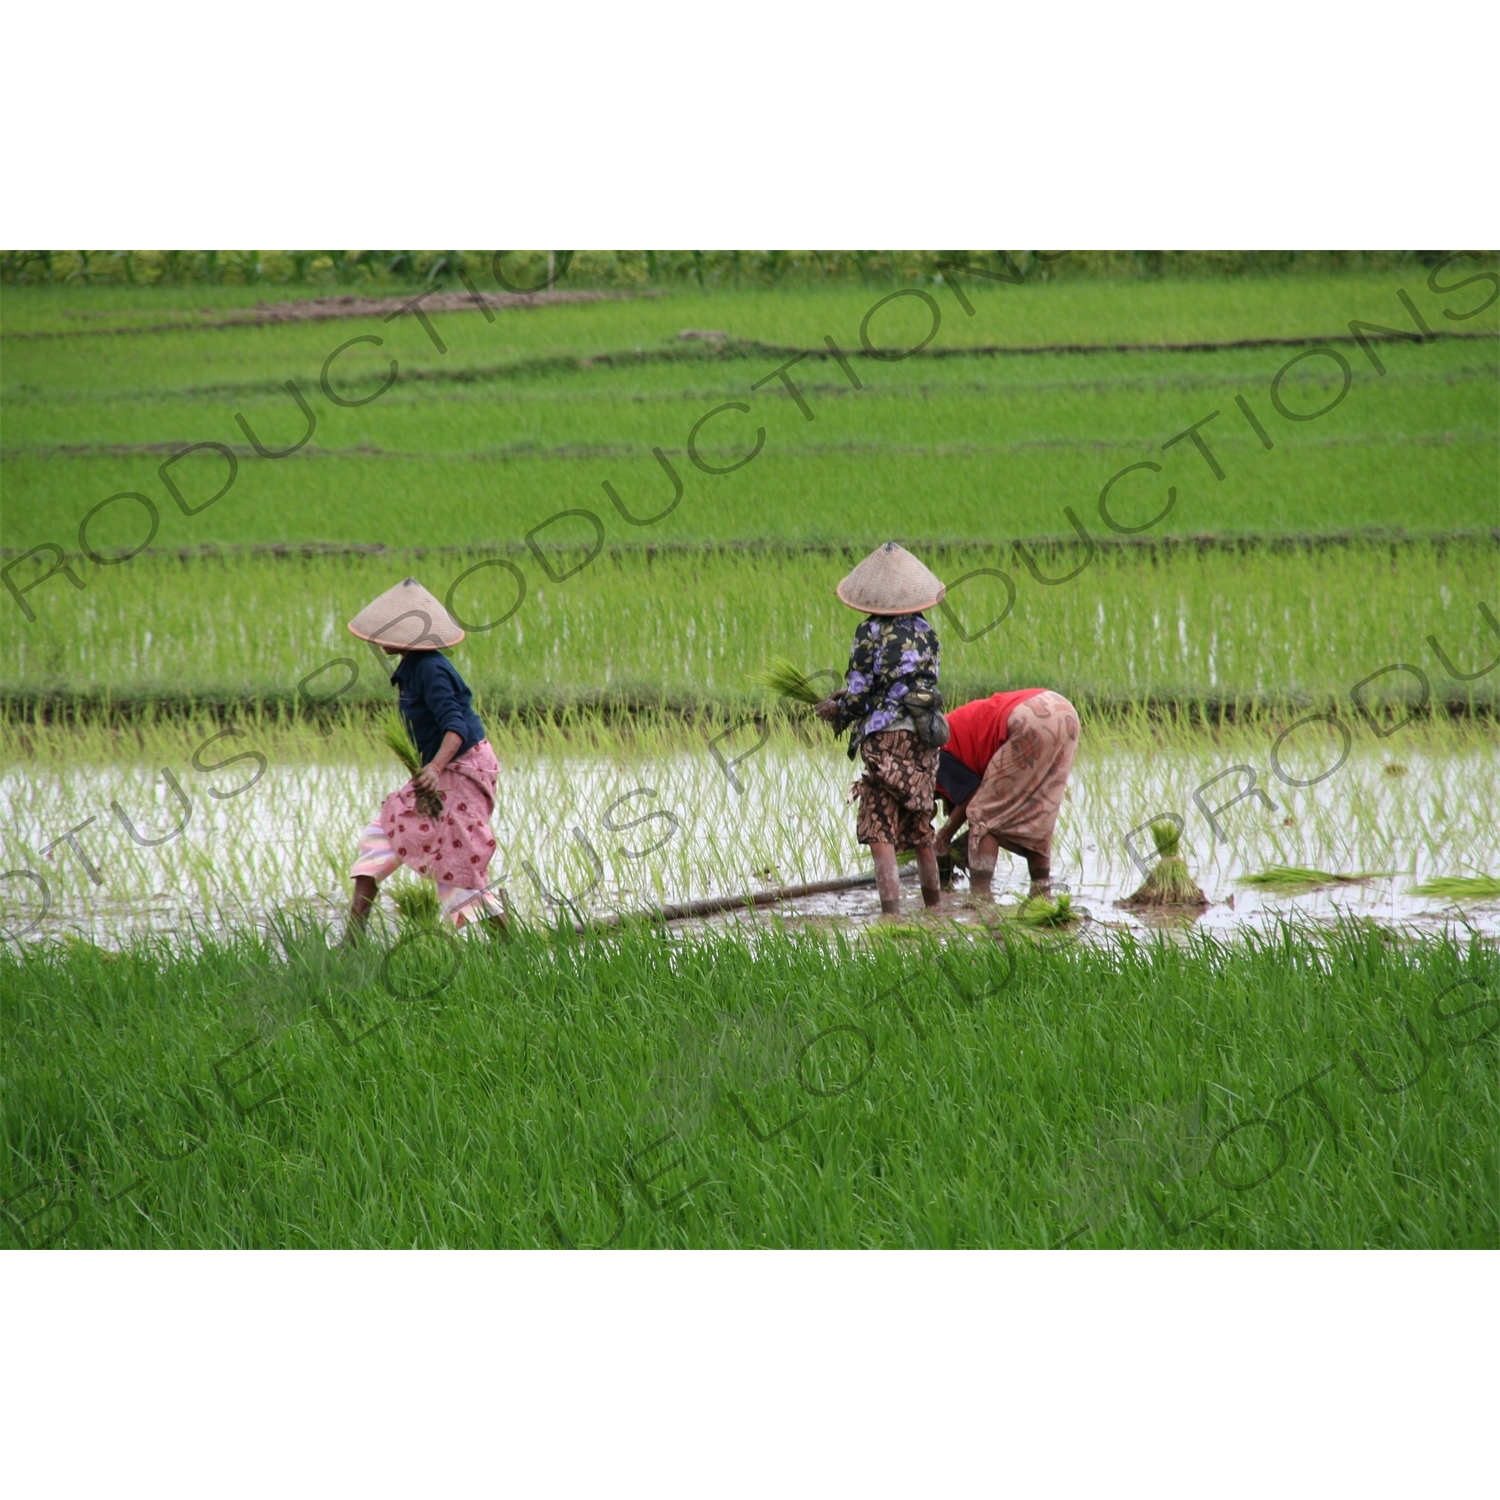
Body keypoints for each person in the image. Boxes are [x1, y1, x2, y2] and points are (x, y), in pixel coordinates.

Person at [344, 578, 509, 938]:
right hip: (442, 768)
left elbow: (456, 727)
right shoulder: (411, 668)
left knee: (458, 862)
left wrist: (433, 768)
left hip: (462, 767)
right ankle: (350, 944)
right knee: (379, 836)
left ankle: (512, 947)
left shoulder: (430, 668)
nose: (377, 638)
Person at [814, 542, 946, 916]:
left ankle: (892, 917)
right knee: (920, 823)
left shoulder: (869, 630)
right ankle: (935, 911)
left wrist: (836, 708)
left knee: (879, 825)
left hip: (887, 736)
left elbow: (860, 697)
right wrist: (856, 696)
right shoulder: (926, 631)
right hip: (924, 735)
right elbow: (909, 683)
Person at [933, 689, 1080, 896]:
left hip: (1027, 718)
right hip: (1063, 710)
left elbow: (970, 796)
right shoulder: (951, 732)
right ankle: (1041, 889)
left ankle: (980, 895)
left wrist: (942, 839)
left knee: (983, 816)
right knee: (1039, 808)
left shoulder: (932, 753)